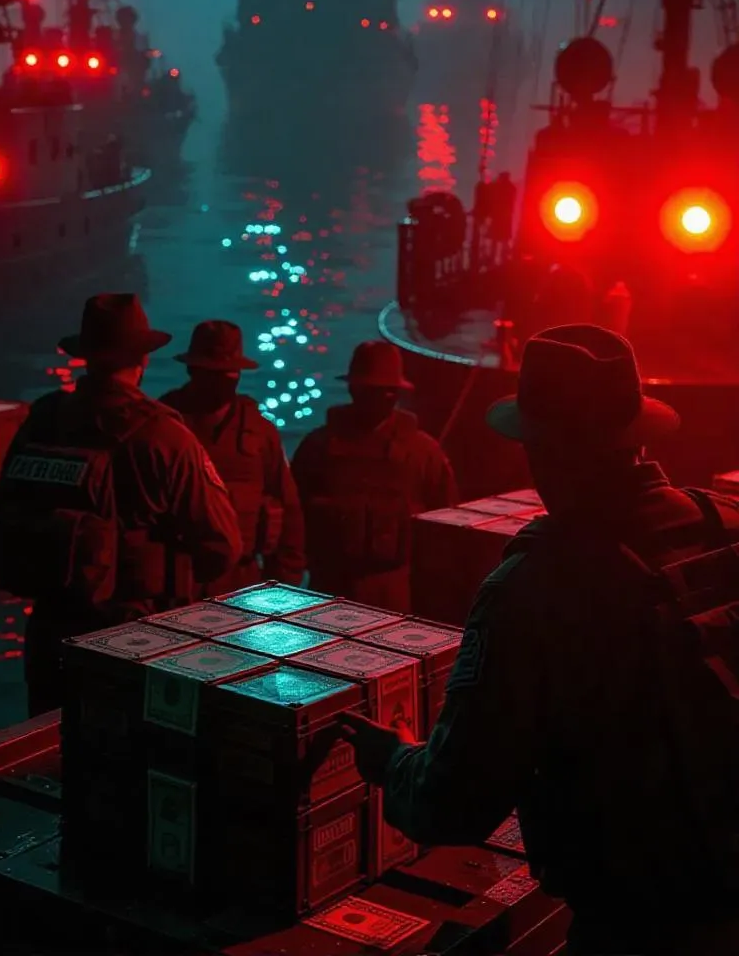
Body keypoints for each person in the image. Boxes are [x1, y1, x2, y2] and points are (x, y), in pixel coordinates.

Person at [342, 325, 739, 956]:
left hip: (638, 928)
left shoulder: (536, 587)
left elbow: (453, 802)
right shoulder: (726, 526)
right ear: (636, 436)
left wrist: (393, 761)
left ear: (543, 450)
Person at [0, 294, 243, 718]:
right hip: (136, 641)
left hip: (51, 636)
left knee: (54, 749)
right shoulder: (164, 436)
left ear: (85, 356)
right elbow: (222, 545)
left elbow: (6, 507)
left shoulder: (44, 418)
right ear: (143, 358)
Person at [292, 340, 457, 610]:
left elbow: (445, 527)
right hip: (330, 585)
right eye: (370, 390)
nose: (379, 398)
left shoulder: (424, 452)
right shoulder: (318, 448)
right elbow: (293, 518)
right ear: (353, 389)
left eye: (386, 391)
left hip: (394, 587)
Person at [160, 320, 305, 590]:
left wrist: (285, 583)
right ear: (192, 370)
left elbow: (288, 509)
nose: (222, 380)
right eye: (212, 372)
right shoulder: (164, 424)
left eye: (228, 372)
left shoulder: (259, 431)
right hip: (175, 578)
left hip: (241, 578)